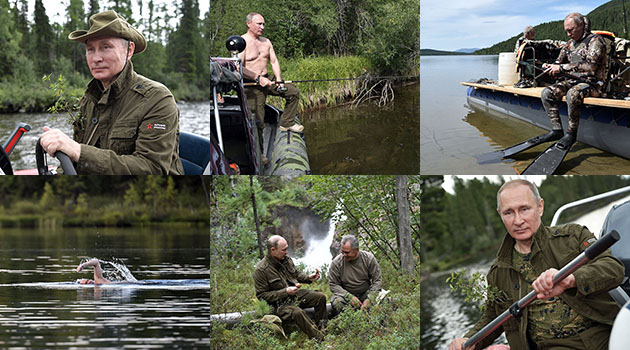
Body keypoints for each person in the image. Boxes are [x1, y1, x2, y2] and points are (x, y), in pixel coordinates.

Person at [448, 179, 624, 350]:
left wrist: (570, 280)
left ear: (540, 207)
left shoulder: (573, 236)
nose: (518, 220)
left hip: (597, 336)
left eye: (524, 209)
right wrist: (468, 339)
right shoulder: (498, 271)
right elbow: (493, 316)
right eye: (508, 212)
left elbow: (613, 268)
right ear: (500, 215)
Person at [38, 10, 184, 175]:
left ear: (129, 51)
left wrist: (78, 151)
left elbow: (152, 168)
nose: (96, 58)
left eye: (105, 47)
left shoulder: (157, 99)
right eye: (90, 49)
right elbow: (75, 161)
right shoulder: (89, 100)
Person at [537, 12, 608, 151]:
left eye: (571, 30)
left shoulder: (596, 41)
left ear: (581, 25)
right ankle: (557, 130)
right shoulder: (570, 44)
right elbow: (559, 60)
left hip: (595, 84)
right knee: (547, 93)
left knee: (573, 94)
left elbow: (591, 65)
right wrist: (550, 66)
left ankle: (571, 134)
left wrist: (561, 67)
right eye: (566, 31)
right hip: (573, 81)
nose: (568, 34)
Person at [239, 13, 303, 164]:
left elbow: (273, 61)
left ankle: (286, 123)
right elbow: (238, 68)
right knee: (258, 120)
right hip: (252, 85)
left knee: (293, 92)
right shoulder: (242, 42)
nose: (262, 27)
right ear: (249, 24)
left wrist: (279, 81)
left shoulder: (266, 42)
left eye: (263, 24)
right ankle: (260, 153)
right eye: (259, 24)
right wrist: (257, 78)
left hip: (269, 80)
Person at [253, 235, 326, 340]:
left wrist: (308, 278)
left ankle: (322, 328)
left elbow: (295, 274)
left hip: (294, 296)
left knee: (320, 297)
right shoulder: (261, 270)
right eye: (284, 250)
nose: (287, 252)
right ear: (272, 250)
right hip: (278, 306)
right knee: (297, 312)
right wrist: (285, 292)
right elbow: (262, 296)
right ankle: (319, 338)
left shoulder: (286, 260)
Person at [328, 234, 383, 313]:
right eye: (342, 252)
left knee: (383, 300)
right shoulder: (336, 262)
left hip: (365, 293)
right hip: (345, 295)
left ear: (357, 249)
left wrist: (370, 298)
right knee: (337, 302)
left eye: (347, 252)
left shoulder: (368, 259)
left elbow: (377, 281)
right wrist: (349, 297)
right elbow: (333, 284)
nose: (344, 255)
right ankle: (349, 321)